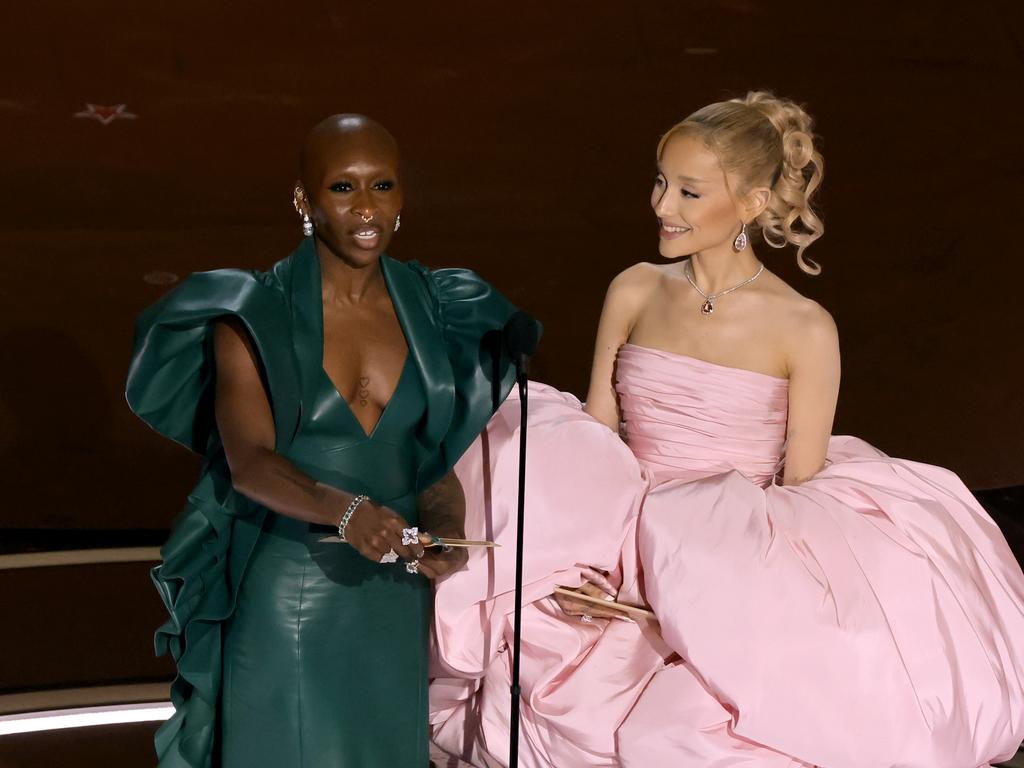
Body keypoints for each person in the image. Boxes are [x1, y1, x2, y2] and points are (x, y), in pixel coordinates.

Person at [428, 92, 1024, 767]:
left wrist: (685, 609)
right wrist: (578, 559)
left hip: (729, 551)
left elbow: (800, 492)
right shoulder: (635, 289)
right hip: (617, 522)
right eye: (659, 181)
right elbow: (593, 435)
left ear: (752, 204)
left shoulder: (804, 327)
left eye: (688, 191)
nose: (661, 206)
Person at [126, 114, 530, 767]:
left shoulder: (433, 308)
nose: (367, 209)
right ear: (303, 200)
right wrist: (344, 510)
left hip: (392, 603)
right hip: (293, 596)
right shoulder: (255, 315)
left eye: (383, 186)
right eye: (343, 188)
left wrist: (447, 529)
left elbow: (427, 459)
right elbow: (250, 462)